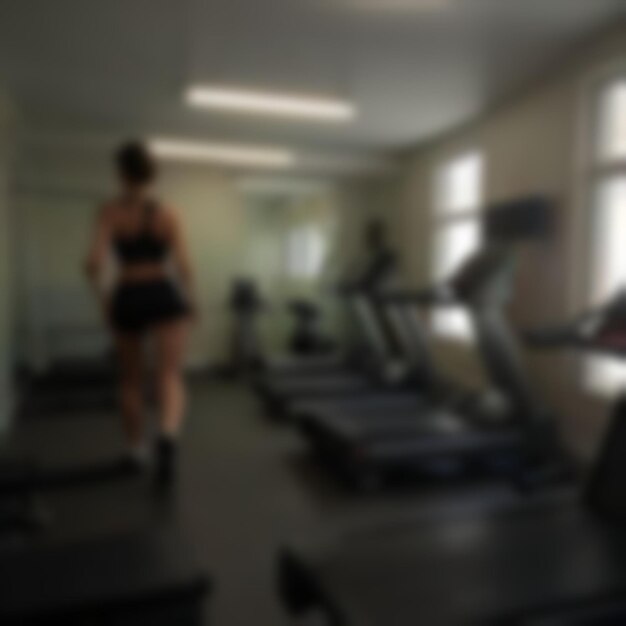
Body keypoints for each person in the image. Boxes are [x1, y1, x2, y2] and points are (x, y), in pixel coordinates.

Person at [85, 140, 195, 486]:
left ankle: (135, 450)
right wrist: (192, 300)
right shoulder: (169, 213)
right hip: (162, 292)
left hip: (128, 294)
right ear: (150, 174)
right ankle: (167, 436)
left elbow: (94, 264)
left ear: (121, 174)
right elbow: (184, 266)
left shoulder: (109, 211)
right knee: (170, 376)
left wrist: (104, 301)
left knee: (131, 381)